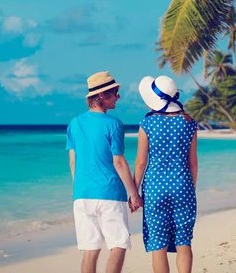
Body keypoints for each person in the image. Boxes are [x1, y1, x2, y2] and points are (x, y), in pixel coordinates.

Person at [66, 71, 143, 273]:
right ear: (101, 96)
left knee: (90, 249)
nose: (118, 97)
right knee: (119, 244)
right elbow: (118, 162)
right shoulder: (114, 124)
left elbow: (73, 162)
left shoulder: (74, 123)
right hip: (109, 194)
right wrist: (133, 193)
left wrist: (81, 188)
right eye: (115, 92)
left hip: (82, 195)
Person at [133, 75, 199, 273]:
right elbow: (193, 163)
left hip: (155, 189)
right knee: (183, 240)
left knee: (158, 244)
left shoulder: (147, 124)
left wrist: (134, 192)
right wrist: (190, 188)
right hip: (183, 186)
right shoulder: (189, 123)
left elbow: (141, 162)